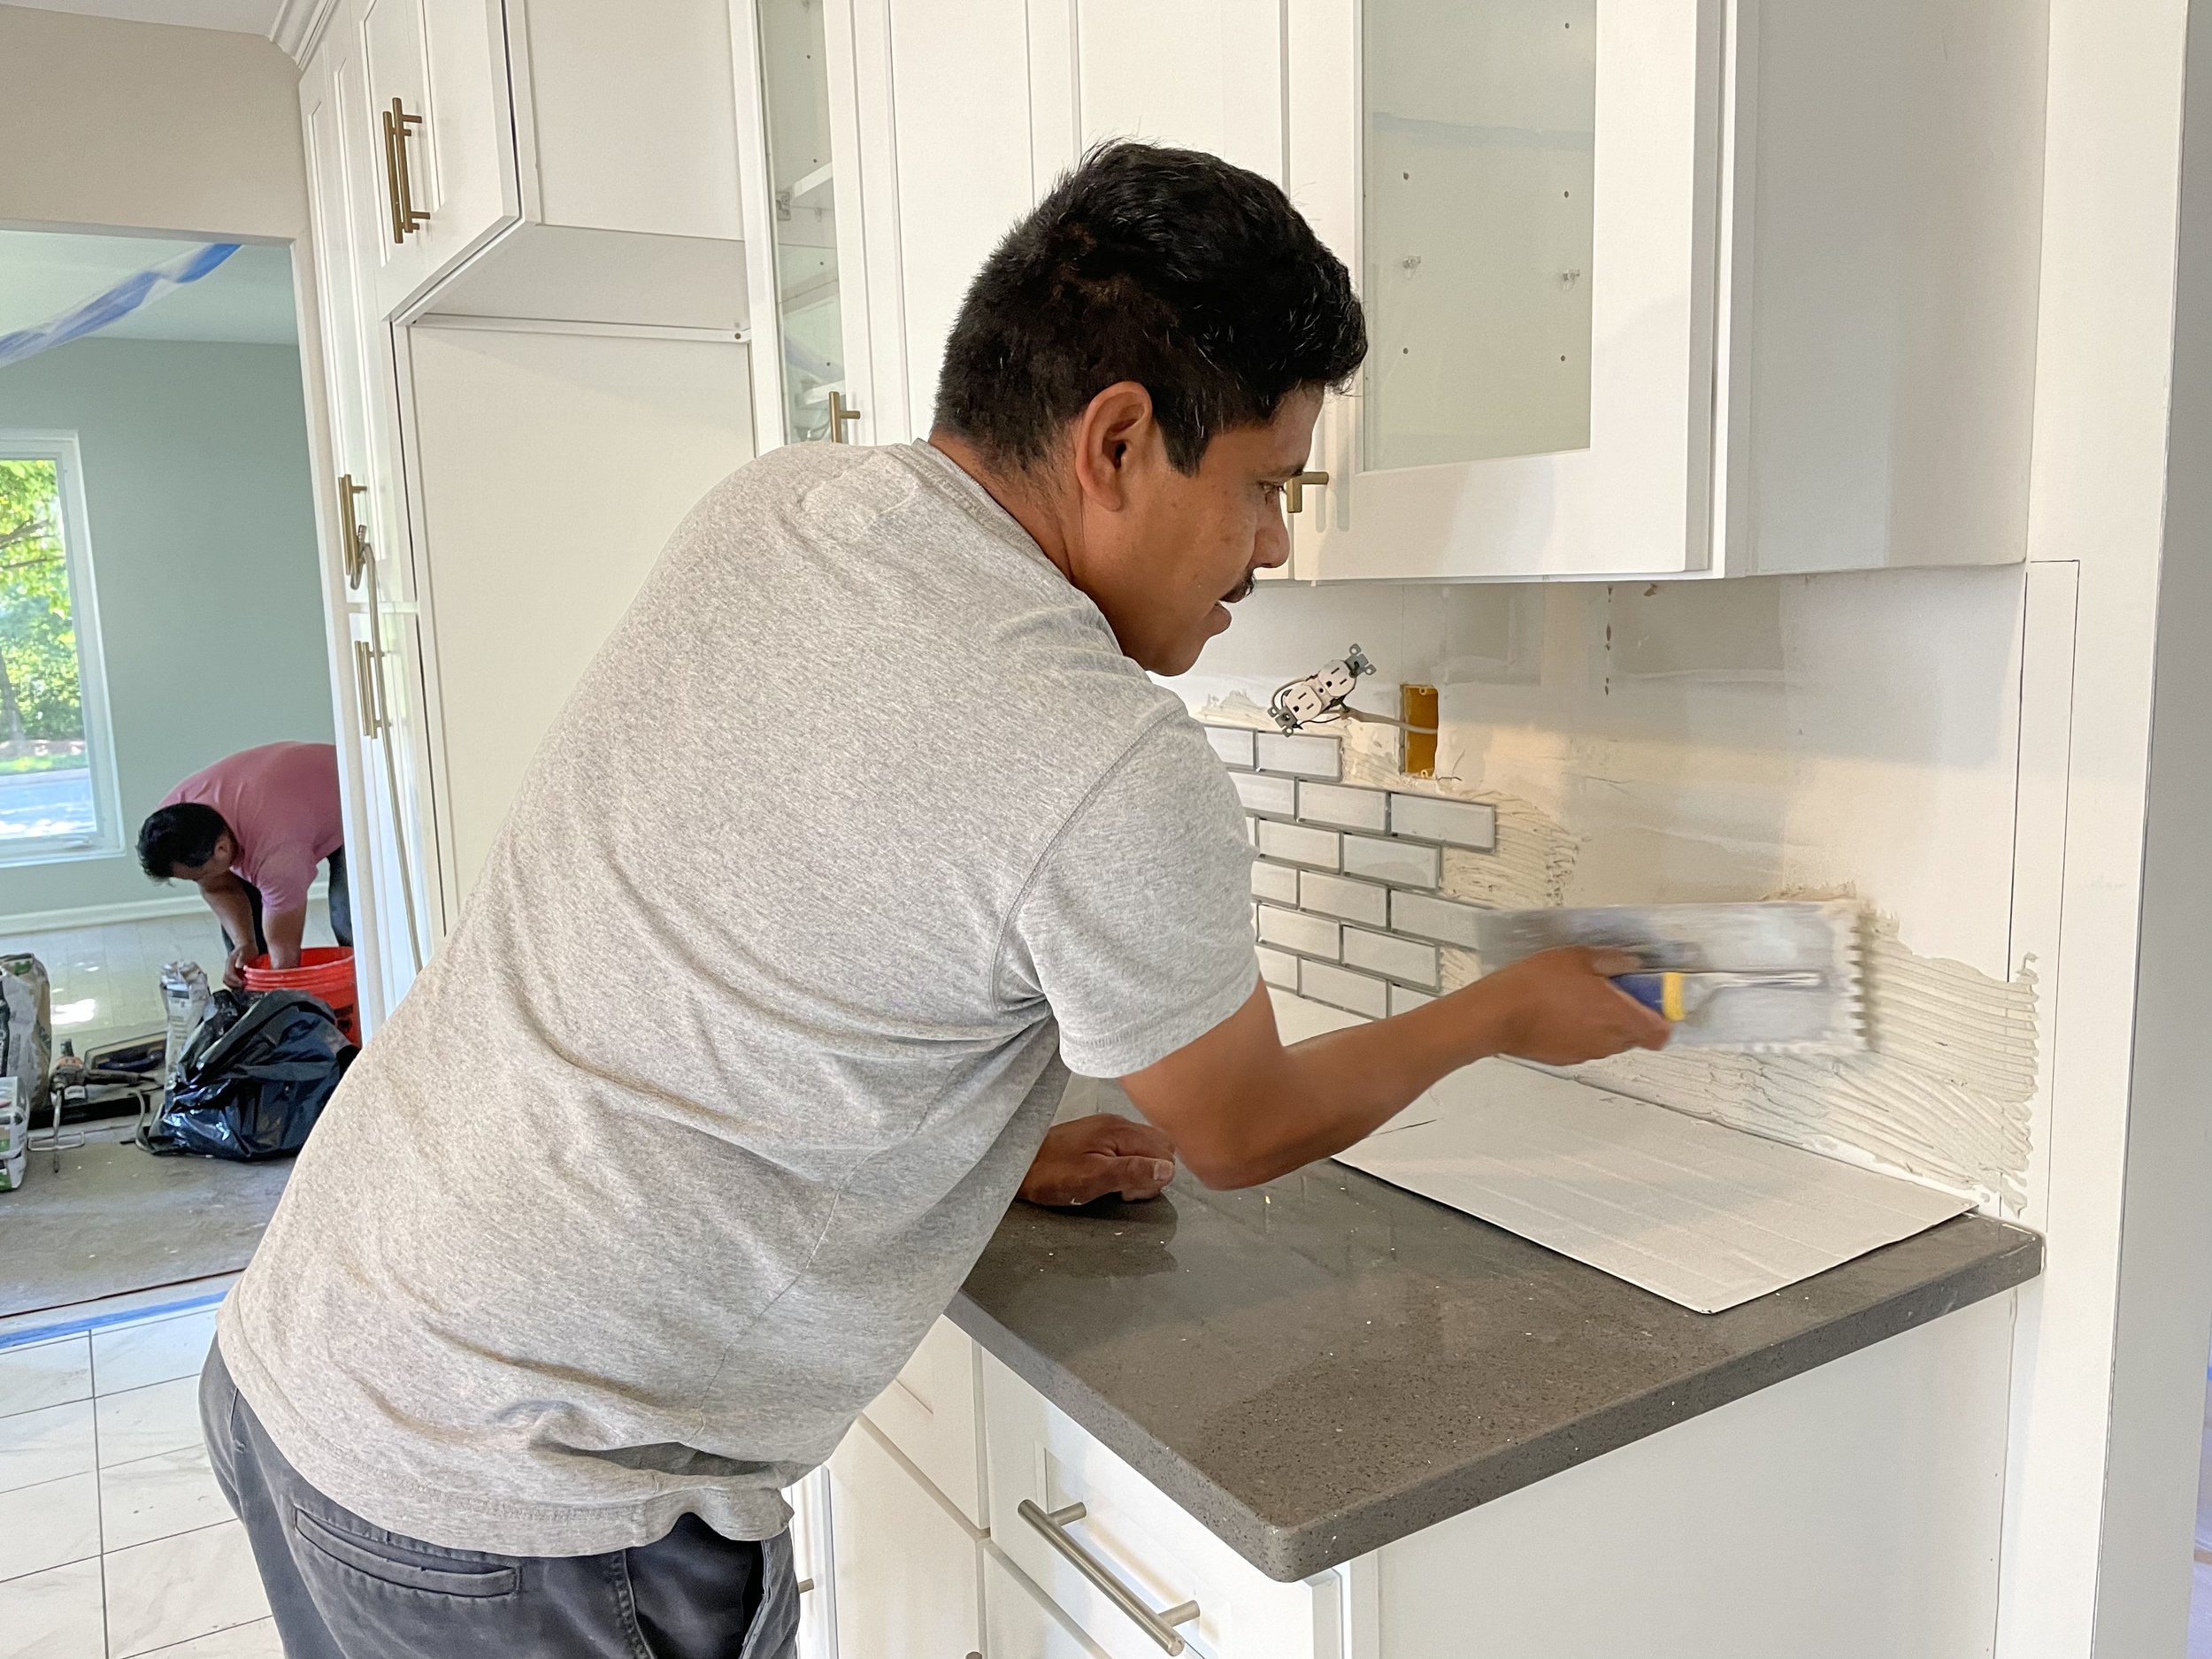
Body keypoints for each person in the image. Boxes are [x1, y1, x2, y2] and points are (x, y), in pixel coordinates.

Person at [200, 142, 1671, 1659]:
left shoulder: (777, 508)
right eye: (1263, 485)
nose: (1277, 544)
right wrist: (1508, 1003)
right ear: (1116, 440)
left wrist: (987, 1148)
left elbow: (764, 916)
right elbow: (1239, 1131)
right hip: (516, 1511)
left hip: (314, 1345)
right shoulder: (1099, 755)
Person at [137, 741, 349, 990]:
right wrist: (245, 943)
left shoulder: (275, 854)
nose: (200, 883)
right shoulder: (172, 823)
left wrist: (279, 991)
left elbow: (284, 952)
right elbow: (218, 888)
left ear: (222, 849)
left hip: (351, 790)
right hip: (285, 800)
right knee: (246, 952)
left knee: (348, 914)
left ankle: (373, 1001)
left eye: (199, 876)